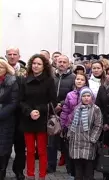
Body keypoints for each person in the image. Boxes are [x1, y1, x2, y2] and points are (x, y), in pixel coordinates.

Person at [20, 54, 57, 180]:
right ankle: (29, 175)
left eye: (39, 64)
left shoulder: (49, 81)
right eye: (34, 63)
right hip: (27, 119)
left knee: (41, 151)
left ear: (44, 66)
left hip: (42, 120)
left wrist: (39, 110)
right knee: (29, 151)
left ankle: (42, 176)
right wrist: (29, 111)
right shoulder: (24, 80)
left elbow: (53, 101)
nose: (36, 66)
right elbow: (21, 100)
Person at [67, 87, 103, 180]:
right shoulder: (77, 108)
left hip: (88, 143)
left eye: (88, 96)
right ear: (80, 97)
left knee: (88, 171)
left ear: (91, 97)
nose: (86, 98)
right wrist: (70, 134)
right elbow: (71, 122)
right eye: (84, 96)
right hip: (76, 143)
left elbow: (98, 125)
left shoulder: (96, 109)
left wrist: (93, 138)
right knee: (78, 172)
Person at [60, 73, 89, 178]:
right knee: (70, 152)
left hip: (84, 128)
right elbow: (65, 111)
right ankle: (71, 173)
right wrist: (63, 125)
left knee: (82, 154)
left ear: (85, 81)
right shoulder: (70, 94)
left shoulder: (88, 94)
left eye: (82, 79)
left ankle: (82, 175)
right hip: (71, 127)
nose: (79, 81)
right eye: (77, 79)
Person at [5, 47, 27, 180]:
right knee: (5, 145)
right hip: (6, 113)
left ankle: (19, 171)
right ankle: (2, 169)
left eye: (15, 54)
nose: (12, 56)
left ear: (19, 56)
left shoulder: (25, 72)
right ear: (6, 56)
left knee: (20, 145)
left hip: (21, 114)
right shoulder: (2, 70)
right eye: (10, 54)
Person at [0, 59, 19, 180]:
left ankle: (1, 172)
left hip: (6, 119)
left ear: (6, 69)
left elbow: (13, 102)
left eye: (1, 67)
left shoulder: (12, 82)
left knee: (3, 147)